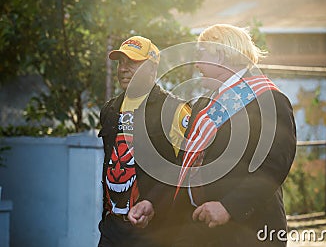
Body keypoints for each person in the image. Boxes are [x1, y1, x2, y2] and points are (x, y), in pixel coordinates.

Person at [172, 24, 297, 247]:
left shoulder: (269, 100)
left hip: (248, 232)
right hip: (198, 229)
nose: (197, 63)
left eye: (201, 53)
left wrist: (229, 207)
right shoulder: (204, 104)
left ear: (221, 54)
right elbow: (184, 163)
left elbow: (273, 166)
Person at [97, 35, 191, 247]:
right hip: (112, 228)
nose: (123, 68)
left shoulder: (175, 110)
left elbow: (185, 170)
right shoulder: (110, 110)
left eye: (133, 62)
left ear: (152, 67)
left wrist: (154, 201)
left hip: (155, 230)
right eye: (121, 62)